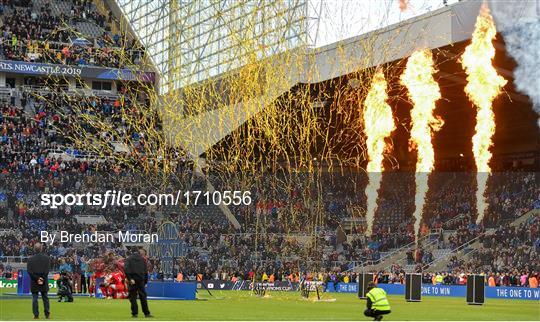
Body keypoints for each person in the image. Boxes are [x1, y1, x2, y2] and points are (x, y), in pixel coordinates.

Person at [124, 248, 152, 318]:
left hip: (133, 280)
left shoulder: (129, 259)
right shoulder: (143, 259)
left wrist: (130, 279)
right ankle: (146, 313)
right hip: (141, 280)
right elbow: (146, 271)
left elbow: (126, 270)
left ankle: (134, 313)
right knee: (143, 297)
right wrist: (145, 282)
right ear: (138, 252)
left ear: (131, 252)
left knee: (133, 297)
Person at [27, 243, 50, 319]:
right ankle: (47, 314)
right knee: (45, 298)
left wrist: (37, 279)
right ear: (41, 249)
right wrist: (41, 279)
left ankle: (36, 315)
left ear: (34, 249)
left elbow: (29, 272)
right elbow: (47, 271)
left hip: (34, 281)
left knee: (34, 299)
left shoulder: (30, 259)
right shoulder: (46, 258)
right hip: (43, 280)